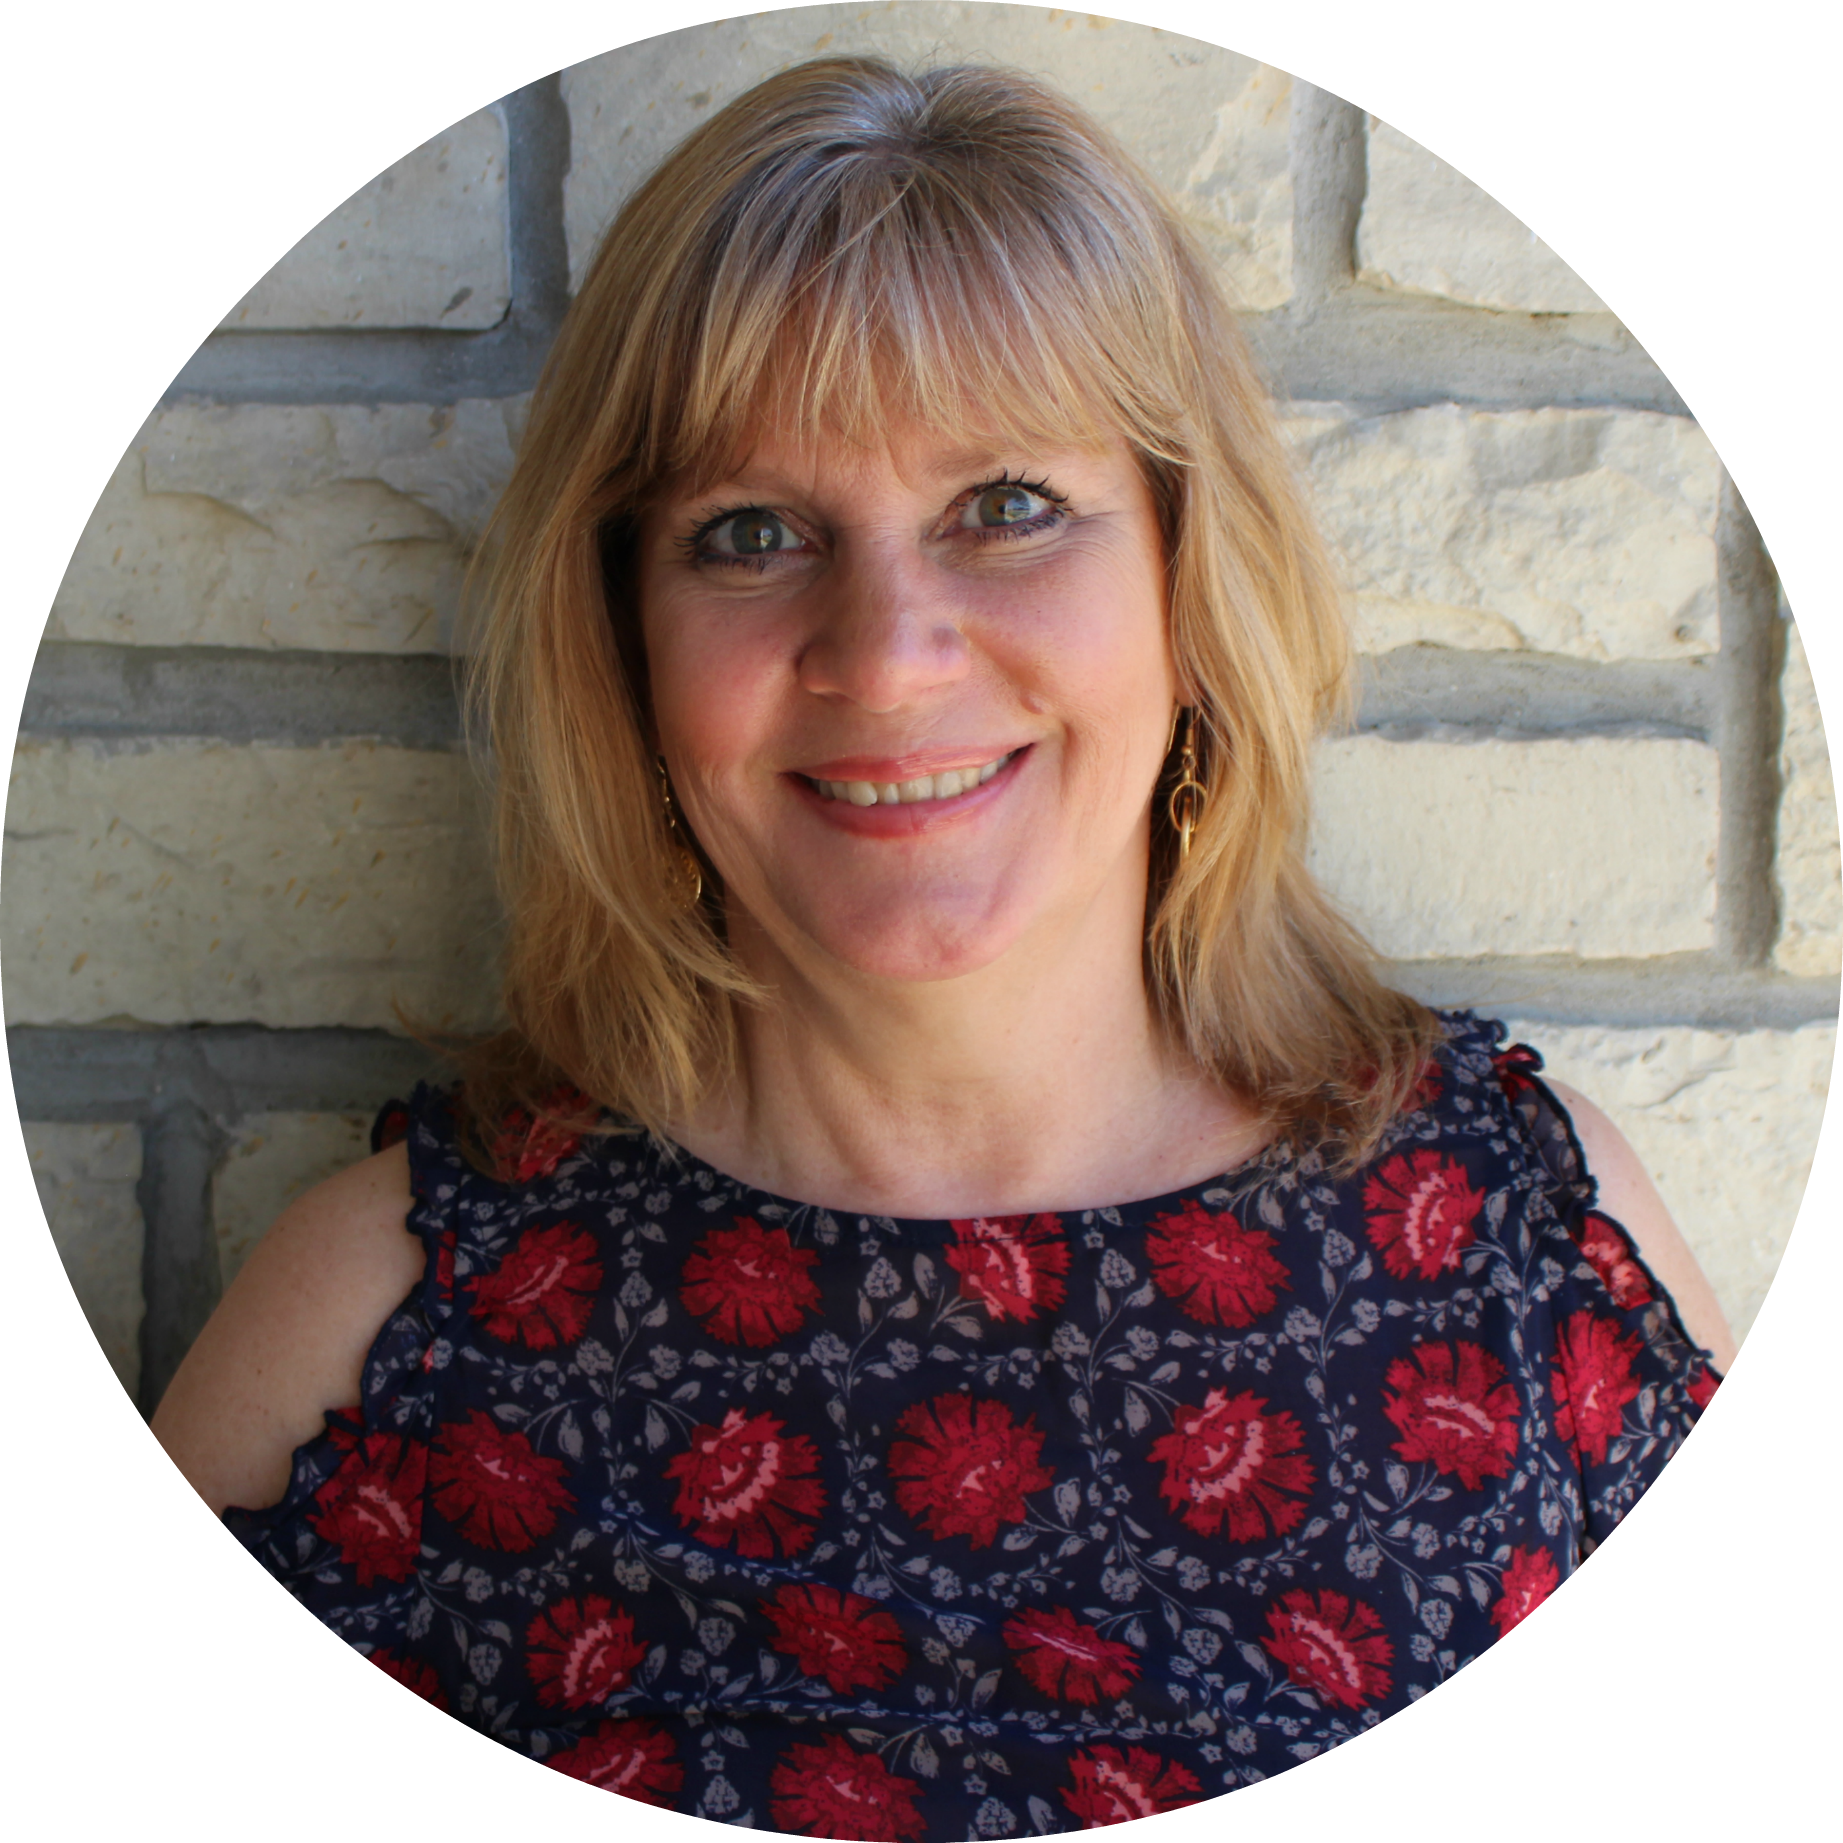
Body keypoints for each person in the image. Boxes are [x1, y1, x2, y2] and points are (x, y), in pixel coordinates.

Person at [151, 56, 1733, 1824]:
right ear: (624, 645)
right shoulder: (381, 1340)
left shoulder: (1524, 1255)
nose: (889, 655)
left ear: (1186, 583)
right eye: (751, 533)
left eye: (1007, 506)